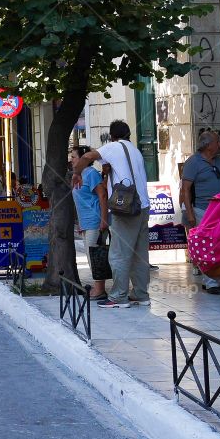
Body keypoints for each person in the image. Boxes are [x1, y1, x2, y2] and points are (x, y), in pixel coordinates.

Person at [74, 121, 150, 309]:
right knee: (139, 254)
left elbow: (87, 157)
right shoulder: (135, 150)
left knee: (119, 254)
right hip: (143, 206)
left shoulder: (113, 147)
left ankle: (118, 297)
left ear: (112, 136)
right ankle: (141, 294)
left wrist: (77, 173)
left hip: (126, 209)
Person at [180, 129, 220, 295]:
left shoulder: (218, 160)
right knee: (208, 245)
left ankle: (213, 279)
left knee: (219, 244)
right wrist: (190, 214)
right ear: (208, 146)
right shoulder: (193, 162)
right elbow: (185, 189)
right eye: (217, 142)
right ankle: (210, 282)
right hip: (202, 210)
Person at [71, 145, 109, 300]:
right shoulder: (79, 175)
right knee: (89, 254)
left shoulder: (91, 173)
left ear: (83, 158)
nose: (71, 160)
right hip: (86, 222)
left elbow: (102, 196)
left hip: (95, 221)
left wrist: (104, 220)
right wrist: (80, 222)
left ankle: (100, 290)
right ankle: (98, 287)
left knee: (94, 254)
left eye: (73, 157)